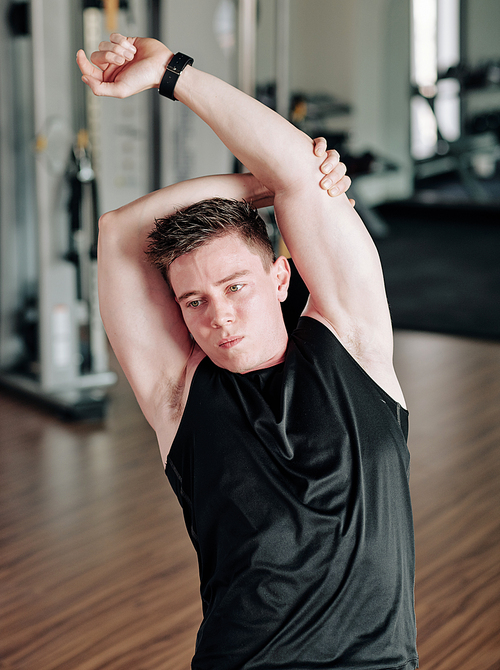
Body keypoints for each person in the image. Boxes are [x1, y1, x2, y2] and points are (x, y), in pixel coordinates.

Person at [77, 34, 418, 670]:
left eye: (234, 286)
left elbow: (298, 172)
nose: (219, 314)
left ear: (282, 278)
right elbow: (117, 231)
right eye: (193, 301)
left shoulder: (354, 343)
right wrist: (260, 186)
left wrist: (173, 74)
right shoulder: (180, 396)